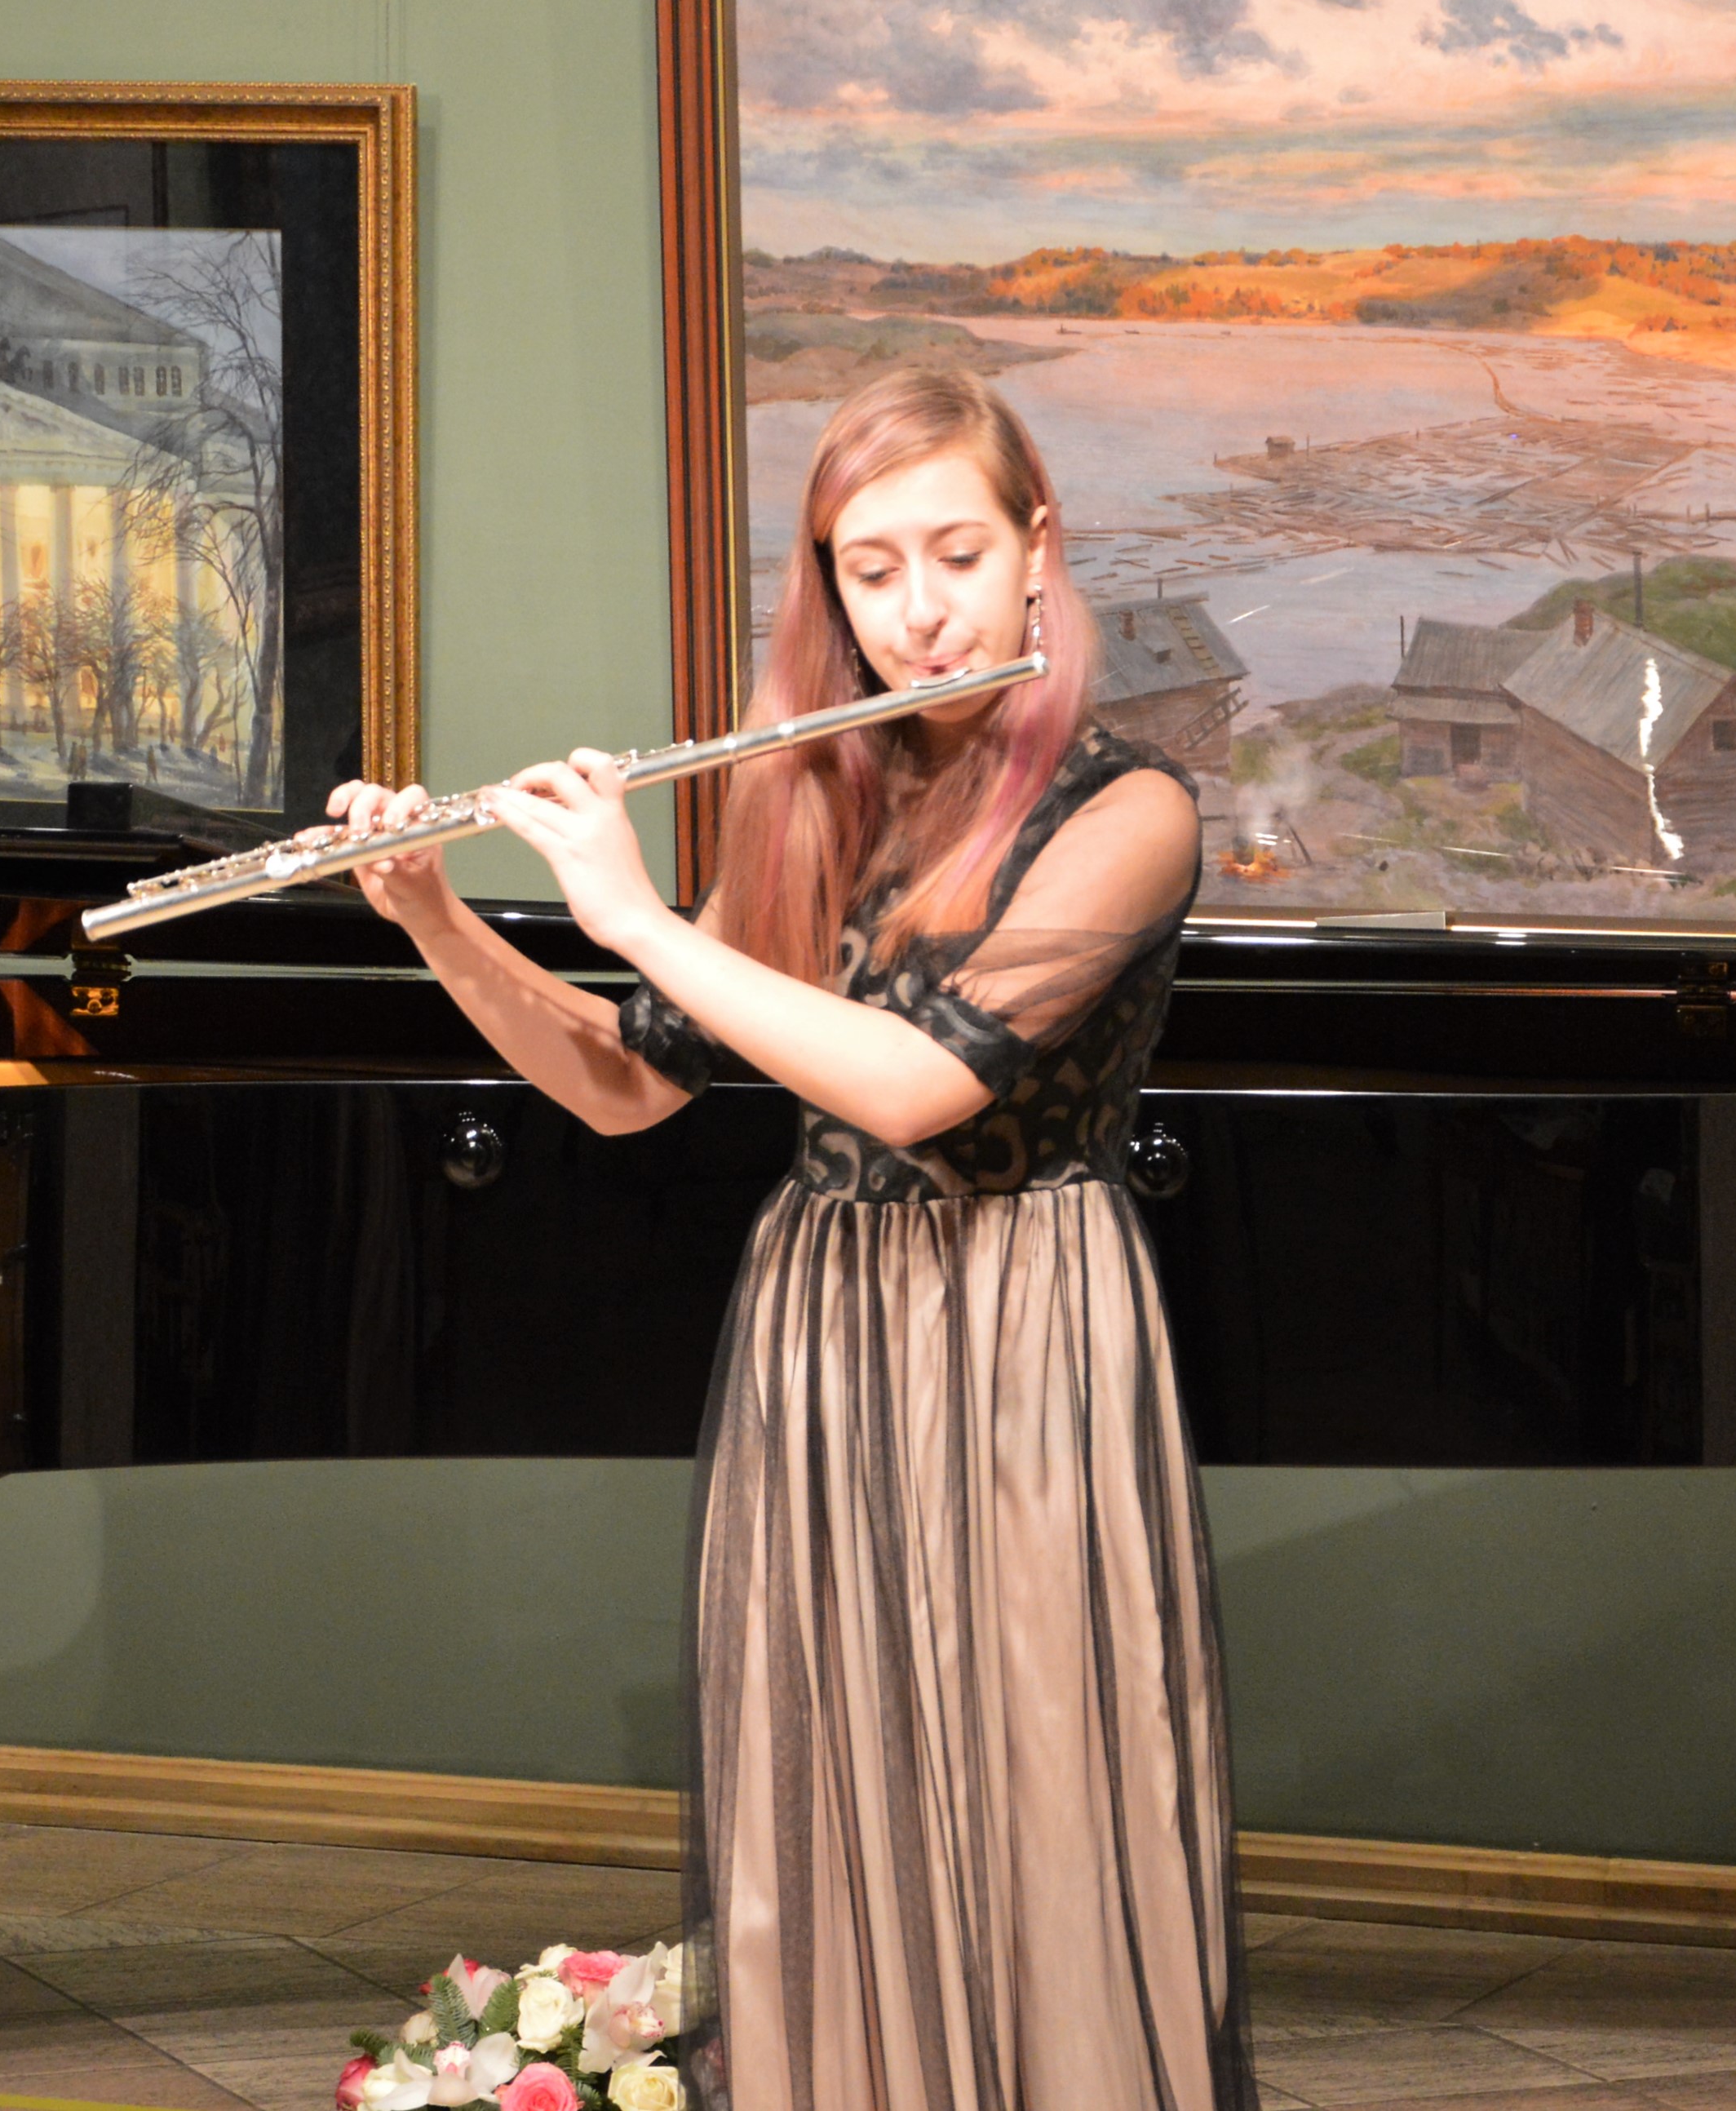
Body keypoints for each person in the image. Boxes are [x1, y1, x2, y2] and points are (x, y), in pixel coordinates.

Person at [327, 368, 1249, 2111]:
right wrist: (437, 913)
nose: (919, 610)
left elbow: (914, 1084)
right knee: (837, 1784)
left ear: (1037, 549)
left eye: (957, 555)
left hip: (1022, 1320)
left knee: (1035, 1781)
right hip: (826, 1323)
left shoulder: (1130, 811)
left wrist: (625, 909)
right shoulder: (817, 793)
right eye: (869, 568)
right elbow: (625, 1085)